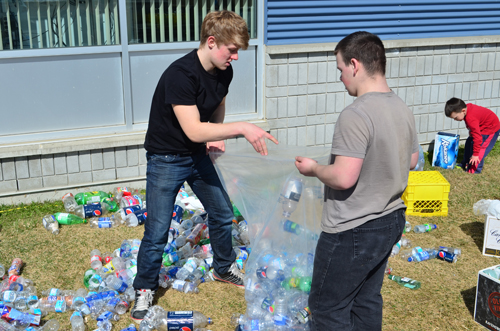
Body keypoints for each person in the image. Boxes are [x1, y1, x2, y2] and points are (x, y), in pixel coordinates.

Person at [131, 10, 278, 322]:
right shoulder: (180, 75)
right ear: (212, 42)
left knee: (223, 213)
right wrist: (241, 128)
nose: (236, 57)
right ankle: (144, 287)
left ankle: (223, 268)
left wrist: (217, 133)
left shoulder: (223, 71)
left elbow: (218, 103)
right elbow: (194, 130)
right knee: (158, 230)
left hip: (197, 155)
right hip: (166, 158)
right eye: (232, 50)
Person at [294, 31, 419, 331]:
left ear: (354, 65)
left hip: (352, 228)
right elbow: (413, 160)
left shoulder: (356, 114)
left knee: (327, 308)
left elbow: (343, 176)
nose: (341, 78)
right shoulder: (400, 106)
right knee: (366, 299)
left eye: (340, 70)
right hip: (390, 219)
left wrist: (314, 169)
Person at [445, 97, 500, 174]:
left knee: (480, 149)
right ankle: (465, 163)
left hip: (490, 129)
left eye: (455, 117)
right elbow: (474, 123)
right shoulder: (466, 110)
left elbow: (478, 138)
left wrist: (475, 155)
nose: (455, 120)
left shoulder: (471, 118)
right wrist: (471, 130)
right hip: (481, 126)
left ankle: (474, 171)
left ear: (463, 111)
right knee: (469, 143)